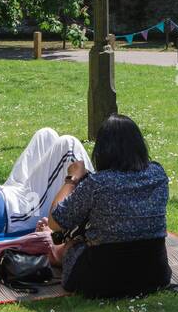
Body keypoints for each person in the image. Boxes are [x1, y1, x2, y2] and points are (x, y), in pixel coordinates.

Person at [46, 114, 171, 300]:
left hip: (100, 281)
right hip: (155, 276)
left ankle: (60, 254)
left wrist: (72, 179)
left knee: (68, 246)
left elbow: (55, 221)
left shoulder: (98, 183)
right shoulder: (158, 174)